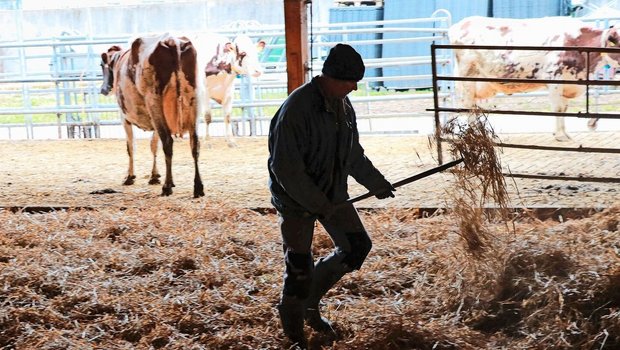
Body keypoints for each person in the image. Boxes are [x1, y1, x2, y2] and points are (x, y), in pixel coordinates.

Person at [267, 43, 395, 348]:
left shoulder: (342, 106)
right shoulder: (297, 110)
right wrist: (318, 205)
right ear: (332, 77)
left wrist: (374, 182)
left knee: (356, 246)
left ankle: (310, 303)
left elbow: (352, 154)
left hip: (332, 192)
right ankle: (294, 327)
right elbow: (285, 169)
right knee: (299, 265)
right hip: (296, 200)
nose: (353, 87)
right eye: (350, 81)